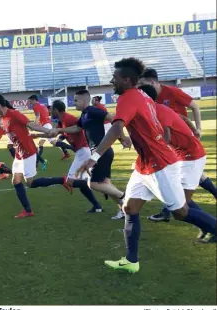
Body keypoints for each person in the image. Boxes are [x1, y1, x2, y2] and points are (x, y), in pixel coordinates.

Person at [76, 57, 216, 273]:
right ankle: (131, 262)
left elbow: (115, 128)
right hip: (145, 164)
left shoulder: (128, 97)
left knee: (181, 212)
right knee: (130, 207)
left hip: (160, 164)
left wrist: (93, 157)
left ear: (127, 80)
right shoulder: (140, 95)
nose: (112, 81)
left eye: (115, 78)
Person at [138, 84, 216, 243]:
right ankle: (207, 226)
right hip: (181, 156)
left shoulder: (158, 110)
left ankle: (211, 227)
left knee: (180, 205)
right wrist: (194, 131)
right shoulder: (152, 111)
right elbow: (182, 118)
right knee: (180, 201)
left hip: (191, 157)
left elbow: (165, 135)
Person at [0, 93, 73, 218]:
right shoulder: (0, 119)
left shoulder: (14, 114)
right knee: (16, 181)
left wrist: (48, 131)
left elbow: (31, 124)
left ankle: (62, 180)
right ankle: (27, 210)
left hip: (28, 151)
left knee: (30, 183)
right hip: (19, 154)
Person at [57, 89, 127, 219]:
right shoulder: (84, 115)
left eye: (76, 100)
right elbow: (77, 128)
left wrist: (122, 137)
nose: (74, 103)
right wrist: (60, 130)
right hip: (102, 152)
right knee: (105, 184)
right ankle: (124, 209)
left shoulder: (93, 111)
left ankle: (124, 196)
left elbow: (113, 118)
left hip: (101, 152)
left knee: (93, 184)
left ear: (84, 101)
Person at [32, 100, 103, 213]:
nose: (49, 111)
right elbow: (53, 133)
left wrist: (61, 130)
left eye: (51, 109)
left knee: (69, 181)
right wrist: (36, 135)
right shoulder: (61, 120)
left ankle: (99, 186)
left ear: (55, 110)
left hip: (83, 151)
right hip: (81, 151)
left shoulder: (68, 118)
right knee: (81, 184)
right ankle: (97, 206)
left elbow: (79, 127)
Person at [28, 95, 51, 170]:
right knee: (41, 143)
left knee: (54, 142)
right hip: (47, 124)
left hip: (45, 126)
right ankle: (38, 162)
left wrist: (33, 126)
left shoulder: (35, 106)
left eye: (30, 101)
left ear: (34, 100)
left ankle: (39, 162)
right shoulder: (43, 105)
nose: (30, 102)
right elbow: (46, 114)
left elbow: (37, 117)